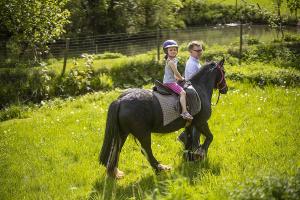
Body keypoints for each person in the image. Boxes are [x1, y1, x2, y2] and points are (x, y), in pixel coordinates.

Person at [178, 41, 203, 151]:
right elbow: (194, 82)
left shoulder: (196, 61)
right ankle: (194, 144)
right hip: (192, 91)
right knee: (198, 118)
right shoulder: (192, 64)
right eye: (197, 50)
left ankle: (186, 137)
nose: (199, 52)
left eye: (201, 50)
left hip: (193, 90)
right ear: (190, 51)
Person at [162, 40, 193, 121]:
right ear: (166, 51)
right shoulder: (171, 62)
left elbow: (174, 74)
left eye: (174, 49)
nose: (173, 51)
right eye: (170, 50)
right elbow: (176, 72)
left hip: (171, 81)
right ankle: (184, 112)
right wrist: (182, 78)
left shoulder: (173, 60)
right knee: (183, 92)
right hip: (170, 83)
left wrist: (178, 78)